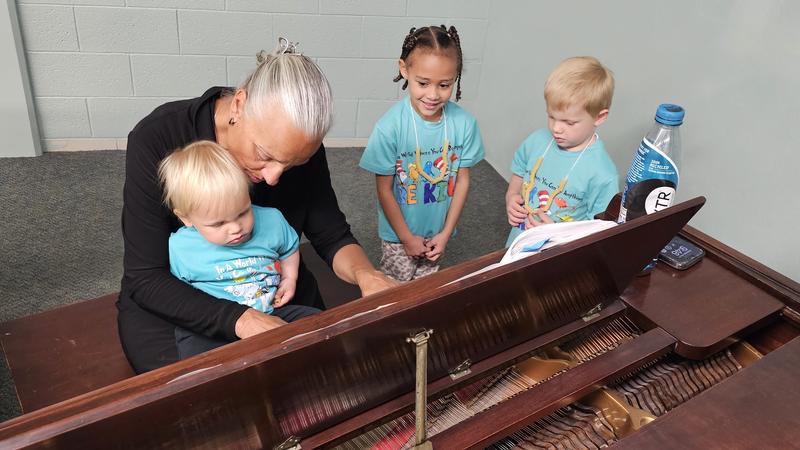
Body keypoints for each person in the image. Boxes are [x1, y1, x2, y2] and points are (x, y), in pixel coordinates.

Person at [118, 38, 396, 373]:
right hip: (185, 301)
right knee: (197, 397)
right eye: (265, 155)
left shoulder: (298, 145)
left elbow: (332, 234)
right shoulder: (159, 136)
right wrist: (243, 320)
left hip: (267, 282)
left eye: (291, 164)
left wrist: (367, 275)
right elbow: (146, 277)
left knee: (327, 372)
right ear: (238, 105)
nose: (275, 176)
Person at [158, 140, 320, 359]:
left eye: (243, 212)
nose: (236, 229)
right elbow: (178, 295)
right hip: (212, 326)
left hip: (272, 311)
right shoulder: (181, 247)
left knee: (318, 323)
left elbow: (289, 247)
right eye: (218, 224)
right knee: (197, 357)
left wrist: (289, 279)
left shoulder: (271, 220)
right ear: (186, 218)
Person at [359, 25, 485, 281]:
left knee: (427, 291)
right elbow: (384, 189)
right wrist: (406, 238)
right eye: (423, 83)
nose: (433, 94)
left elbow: (462, 181)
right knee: (395, 293)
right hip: (398, 236)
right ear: (404, 69)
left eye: (444, 84)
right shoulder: (389, 128)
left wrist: (446, 233)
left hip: (437, 232)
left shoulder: (465, 124)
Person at [505, 56, 619, 247]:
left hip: (557, 255)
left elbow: (600, 231)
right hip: (518, 241)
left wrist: (559, 236)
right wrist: (511, 196)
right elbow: (519, 171)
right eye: (551, 117)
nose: (556, 128)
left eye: (569, 122)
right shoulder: (537, 141)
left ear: (599, 117)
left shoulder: (603, 174)